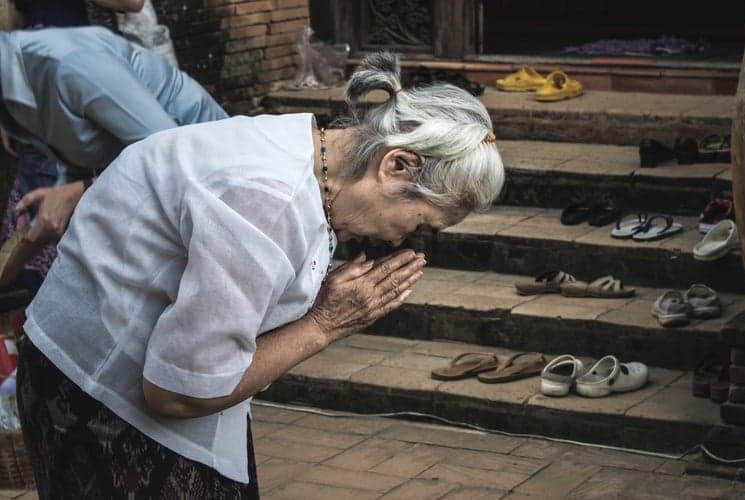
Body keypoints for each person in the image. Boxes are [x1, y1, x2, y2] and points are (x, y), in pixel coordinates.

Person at [16, 51, 505, 498]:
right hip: (100, 394)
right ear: (397, 165)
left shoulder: (305, 146)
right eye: (420, 223)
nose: (402, 240)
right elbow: (179, 393)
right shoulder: (270, 200)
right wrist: (324, 324)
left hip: (85, 355)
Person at [0, 25, 227, 249]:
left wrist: (78, 192)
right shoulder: (13, 97)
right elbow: (80, 157)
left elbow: (169, 154)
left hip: (211, 172)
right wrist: (49, 212)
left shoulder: (71, 65)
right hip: (158, 189)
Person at [0, 1, 147, 291]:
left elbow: (133, 2)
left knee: (108, 199)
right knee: (37, 205)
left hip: (92, 76)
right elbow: (14, 15)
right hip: (36, 84)